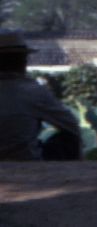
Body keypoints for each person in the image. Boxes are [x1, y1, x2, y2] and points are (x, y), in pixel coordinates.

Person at [0, 32, 82, 161]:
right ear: (23, 62)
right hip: (25, 161)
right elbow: (71, 125)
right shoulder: (33, 91)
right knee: (70, 139)